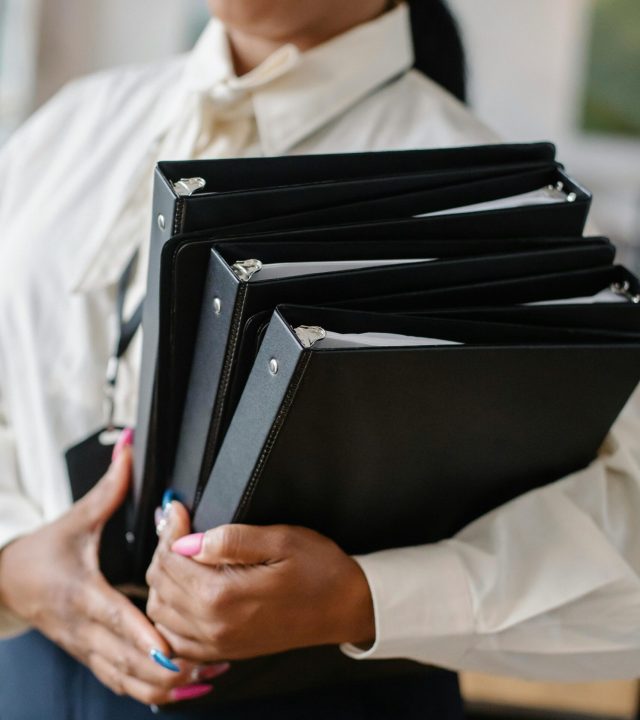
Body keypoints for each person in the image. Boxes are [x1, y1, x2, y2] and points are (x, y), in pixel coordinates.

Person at [0, 0, 639, 718]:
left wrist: (359, 599)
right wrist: (12, 565)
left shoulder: (497, 206)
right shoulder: (69, 128)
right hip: (27, 680)